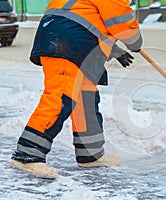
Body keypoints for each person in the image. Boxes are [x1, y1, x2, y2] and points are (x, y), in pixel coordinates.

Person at [11, 0, 143, 179]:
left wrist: (112, 49)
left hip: (72, 37)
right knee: (60, 95)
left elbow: (86, 17)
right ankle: (28, 155)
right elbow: (120, 19)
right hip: (66, 41)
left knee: (85, 98)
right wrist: (135, 41)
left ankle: (90, 154)